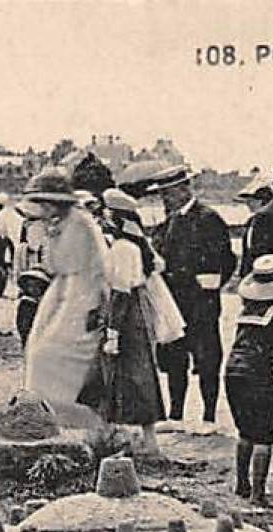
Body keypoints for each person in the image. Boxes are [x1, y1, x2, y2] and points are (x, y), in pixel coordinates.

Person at [21, 169, 110, 428]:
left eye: (44, 204)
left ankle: (74, 415)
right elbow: (52, 264)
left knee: (55, 351)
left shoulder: (80, 223)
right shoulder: (58, 225)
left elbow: (81, 264)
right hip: (63, 290)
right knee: (38, 346)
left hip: (83, 292)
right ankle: (47, 410)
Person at [149, 165, 237, 428]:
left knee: (207, 359)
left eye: (169, 192)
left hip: (201, 302)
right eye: (162, 193)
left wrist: (213, 284)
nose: (164, 198)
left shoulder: (208, 218)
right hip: (174, 302)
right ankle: (176, 414)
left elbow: (227, 259)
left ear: (184, 189)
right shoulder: (166, 223)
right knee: (176, 357)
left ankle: (208, 417)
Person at [83, 189, 169, 457]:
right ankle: (141, 436)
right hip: (134, 314)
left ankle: (113, 433)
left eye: (107, 215)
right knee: (138, 374)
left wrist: (112, 331)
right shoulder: (134, 247)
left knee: (123, 373)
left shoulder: (122, 249)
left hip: (125, 314)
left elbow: (121, 291)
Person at [224, 254, 273, 507]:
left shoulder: (246, 311)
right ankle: (258, 493)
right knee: (264, 435)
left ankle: (241, 483)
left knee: (245, 431)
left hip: (233, 372)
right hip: (257, 374)